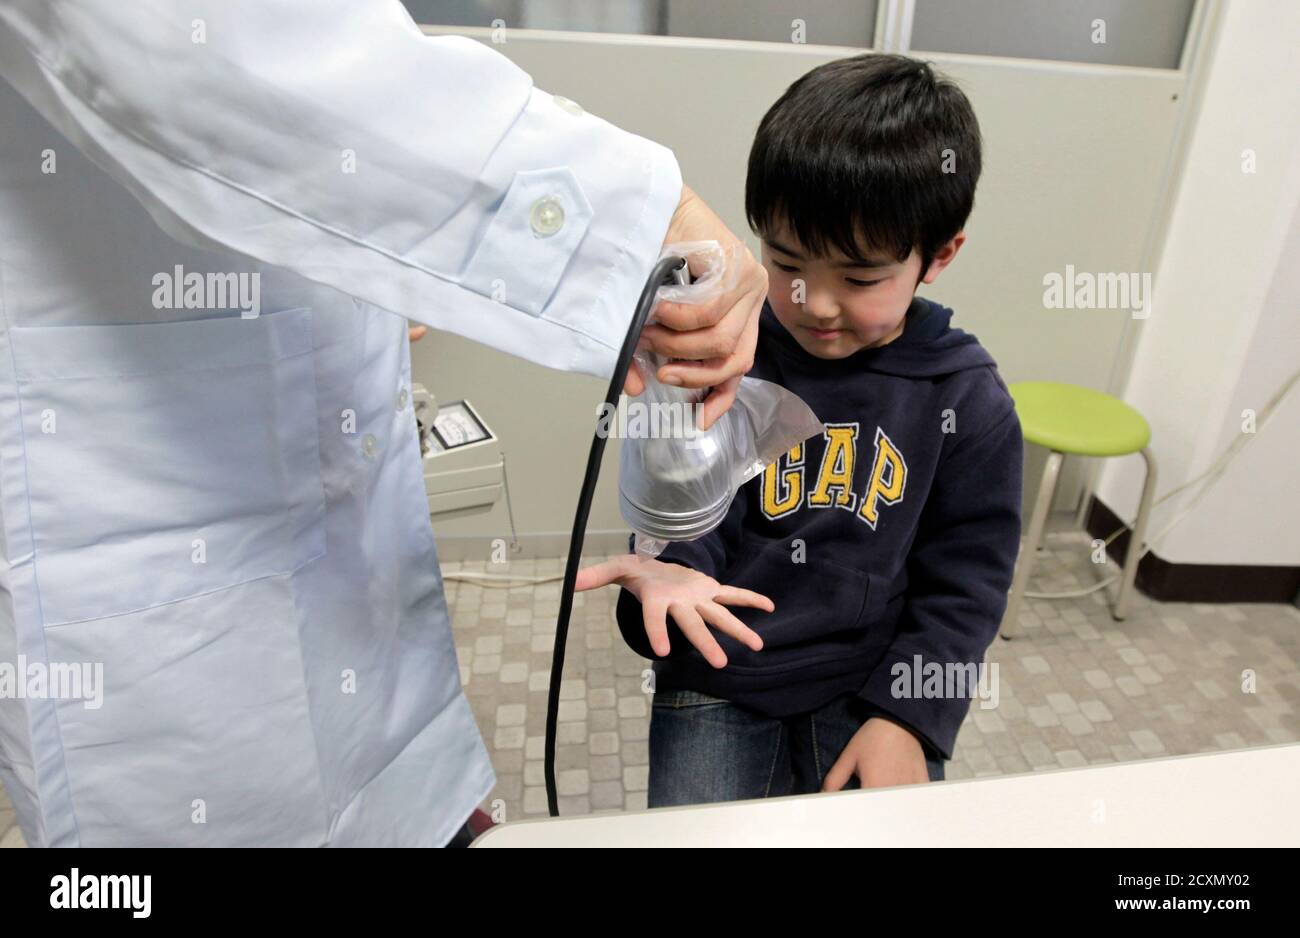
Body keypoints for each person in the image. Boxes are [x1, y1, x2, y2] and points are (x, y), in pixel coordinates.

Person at [0, 0, 766, 847]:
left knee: (395, 776)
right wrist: (641, 217)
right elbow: (197, 50)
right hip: (145, 509)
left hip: (318, 504)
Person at [577, 54, 1023, 806]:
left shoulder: (965, 397)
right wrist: (672, 563)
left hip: (870, 680)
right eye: (785, 262)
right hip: (719, 664)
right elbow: (688, 495)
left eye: (858, 278)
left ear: (938, 256)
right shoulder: (728, 348)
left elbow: (967, 584)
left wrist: (911, 717)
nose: (814, 303)